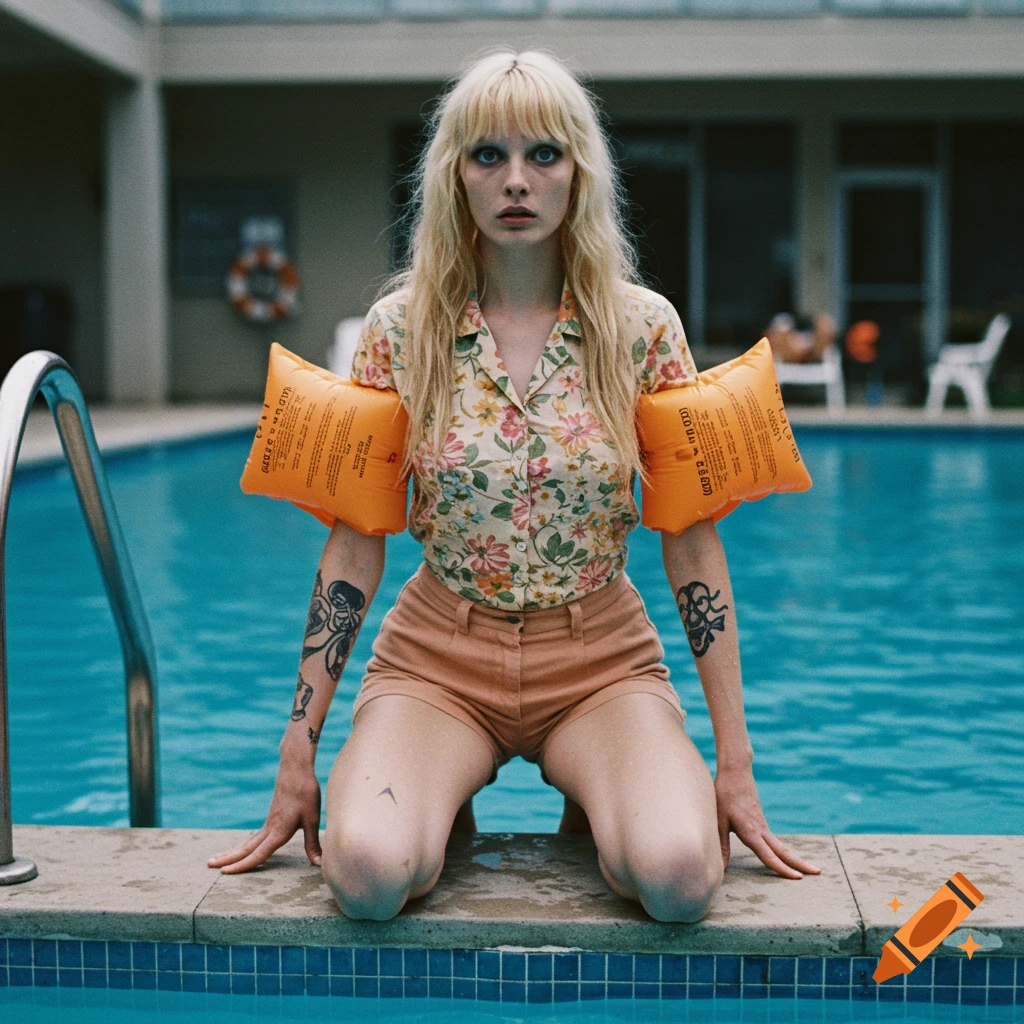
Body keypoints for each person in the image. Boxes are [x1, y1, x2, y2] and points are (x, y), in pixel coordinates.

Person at [209, 49, 820, 922]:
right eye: (487, 155)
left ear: (580, 171)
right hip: (439, 659)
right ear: (454, 175)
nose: (517, 181)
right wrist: (296, 748)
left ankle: (601, 800)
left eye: (545, 154)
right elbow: (353, 540)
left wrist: (736, 763)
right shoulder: (399, 330)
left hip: (600, 658)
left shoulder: (644, 329)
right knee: (370, 879)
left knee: (681, 881)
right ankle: (439, 799)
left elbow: (689, 538)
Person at [765, 311, 838, 364]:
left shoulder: (820, 348)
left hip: (814, 358)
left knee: (825, 322)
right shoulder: (781, 341)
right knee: (783, 324)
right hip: (788, 359)